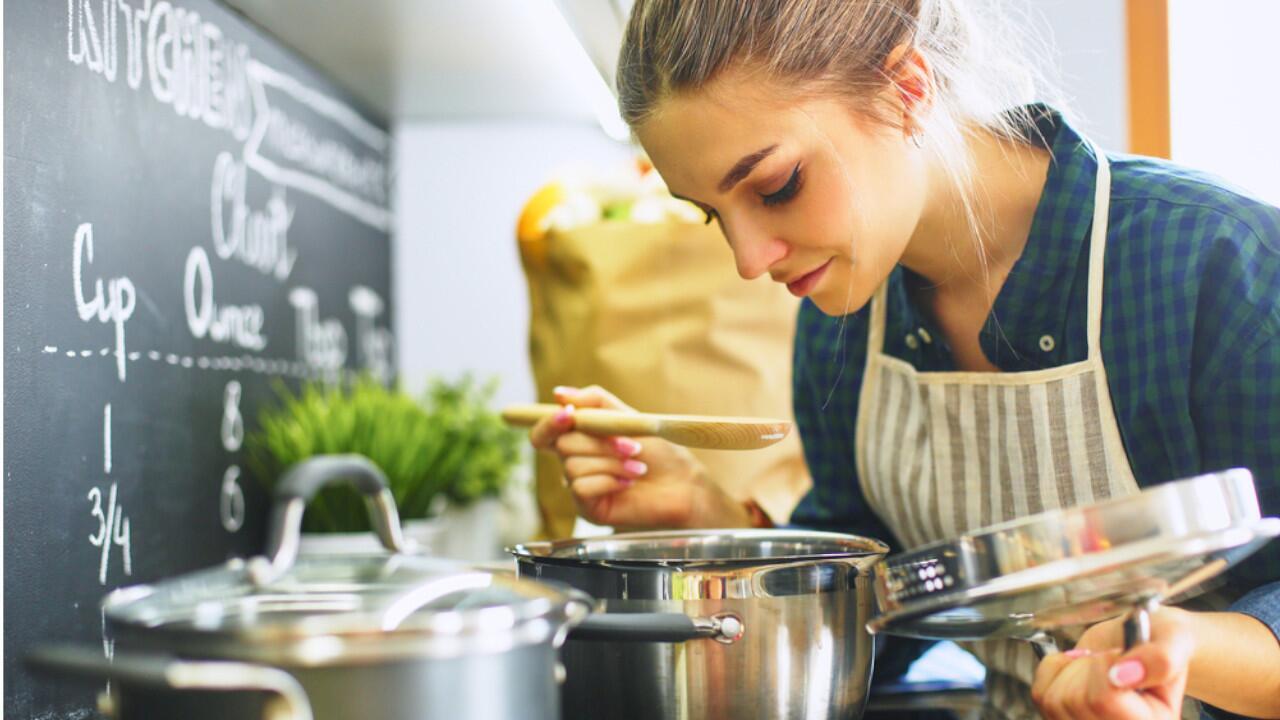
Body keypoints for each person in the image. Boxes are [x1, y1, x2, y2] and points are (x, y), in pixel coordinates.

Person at [525, 1, 1280, 717]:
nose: (750, 260)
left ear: (905, 89)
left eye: (777, 185)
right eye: (714, 215)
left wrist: (1182, 650)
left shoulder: (1213, 263)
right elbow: (879, 627)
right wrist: (702, 514)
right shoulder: (844, 323)